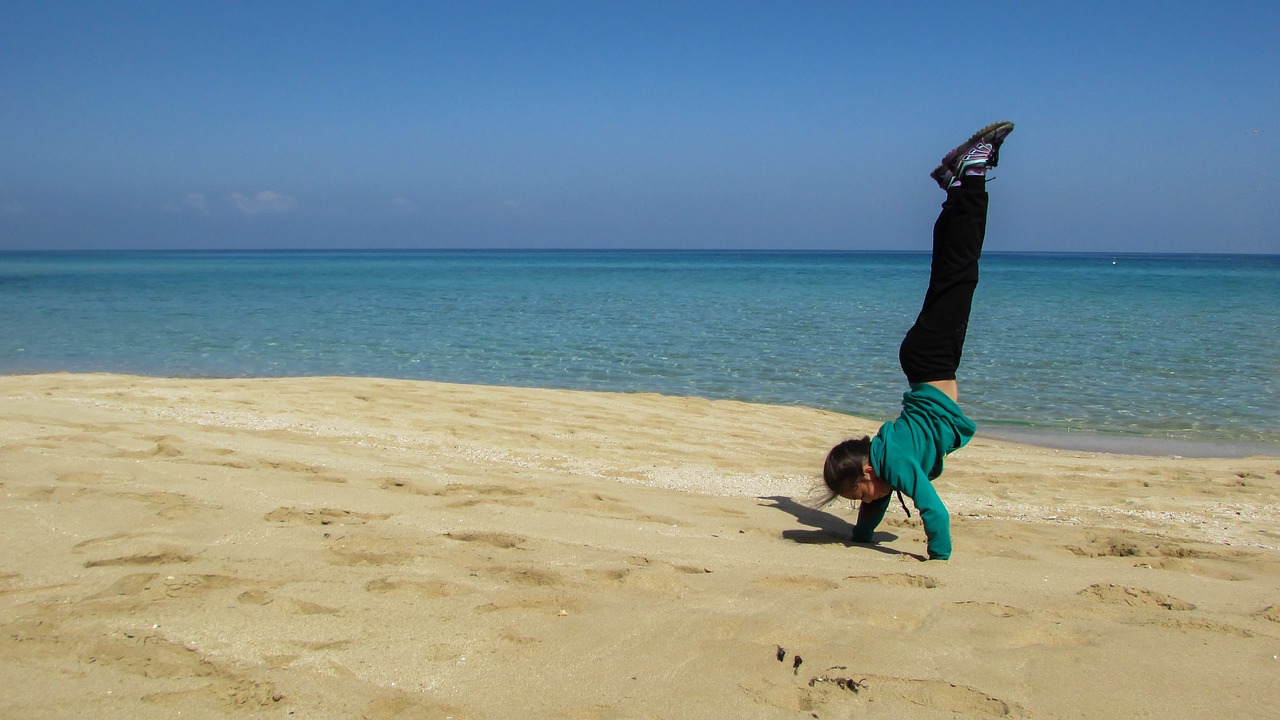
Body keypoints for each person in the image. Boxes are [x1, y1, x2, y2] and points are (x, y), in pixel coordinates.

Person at [818, 121, 1015, 561]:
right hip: (924, 361)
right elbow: (876, 503)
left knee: (961, 271)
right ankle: (955, 184)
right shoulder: (884, 463)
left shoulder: (898, 463)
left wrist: (940, 558)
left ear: (868, 469)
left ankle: (973, 175)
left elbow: (933, 511)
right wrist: (861, 538)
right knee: (949, 272)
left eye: (858, 492)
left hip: (933, 360)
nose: (864, 501)